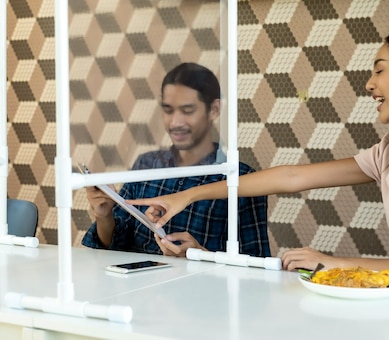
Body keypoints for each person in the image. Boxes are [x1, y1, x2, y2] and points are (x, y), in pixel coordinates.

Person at [129, 25, 389, 285]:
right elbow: (292, 177)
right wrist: (188, 195)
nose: (369, 84)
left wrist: (330, 263)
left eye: (379, 69)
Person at [82, 62, 270, 258]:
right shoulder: (146, 165)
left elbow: (255, 264)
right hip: (138, 287)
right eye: (168, 110)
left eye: (187, 110)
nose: (175, 122)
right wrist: (104, 216)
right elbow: (114, 248)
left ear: (214, 110)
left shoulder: (242, 179)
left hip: (203, 288)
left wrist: (202, 255)